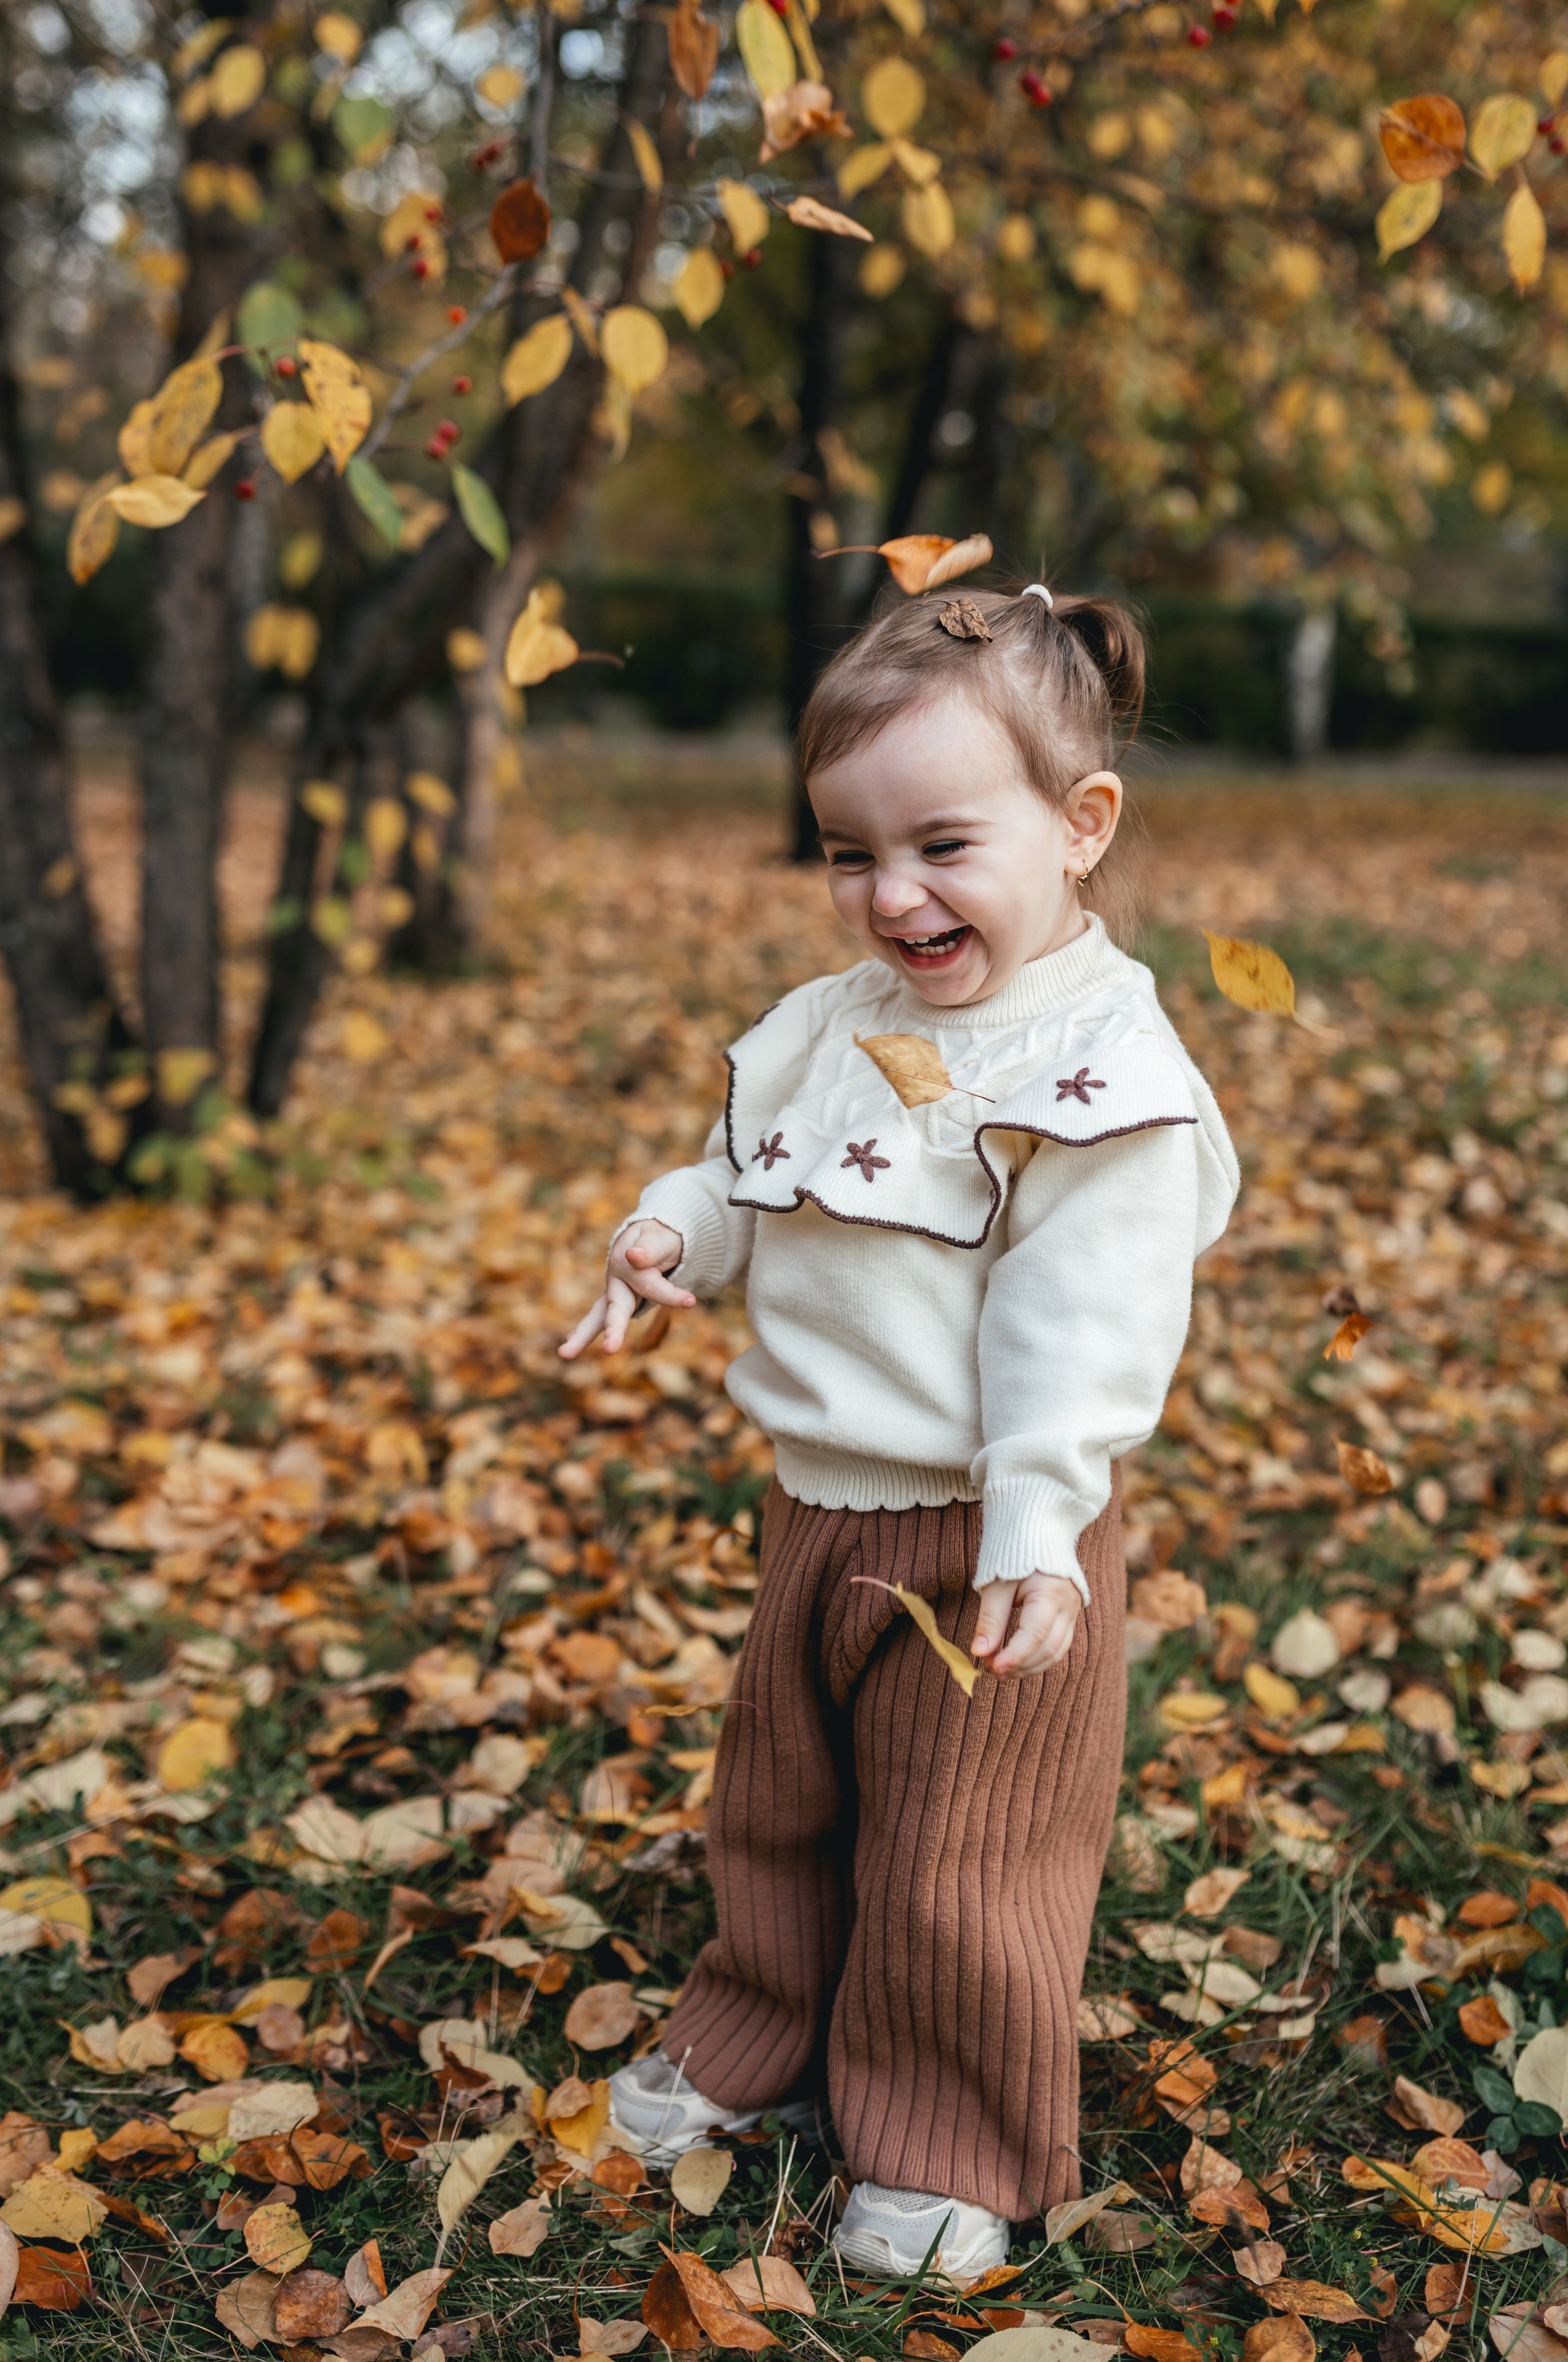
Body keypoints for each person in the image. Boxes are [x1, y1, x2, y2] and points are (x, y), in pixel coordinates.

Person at [559, 580, 1240, 2285]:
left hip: (989, 1529)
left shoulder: (1101, 1073)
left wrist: (1035, 1527)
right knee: (779, 1796)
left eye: (941, 843)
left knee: (964, 1847)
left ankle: (943, 2133)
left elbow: (1079, 1324)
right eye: (849, 855)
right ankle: (760, 2020)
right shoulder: (834, 1023)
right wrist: (671, 1236)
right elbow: (744, 1175)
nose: (892, 896)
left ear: (1082, 826)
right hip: (818, 1505)